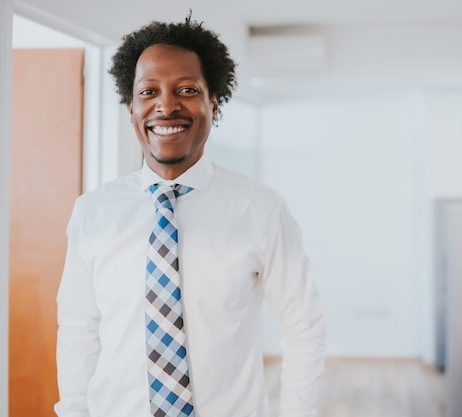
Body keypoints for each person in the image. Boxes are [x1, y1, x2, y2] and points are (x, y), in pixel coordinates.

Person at [54, 13, 325, 417]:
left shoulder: (262, 211)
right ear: (131, 109)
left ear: (213, 105)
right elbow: (79, 329)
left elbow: (304, 327)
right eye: (148, 91)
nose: (166, 105)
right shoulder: (93, 213)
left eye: (186, 89)